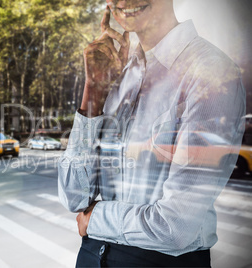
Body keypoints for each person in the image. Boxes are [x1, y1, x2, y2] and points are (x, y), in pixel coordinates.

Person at [58, 0, 245, 267]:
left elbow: (175, 226)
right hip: (91, 254)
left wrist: (96, 219)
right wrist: (94, 90)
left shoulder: (211, 72)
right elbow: (74, 195)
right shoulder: (119, 71)